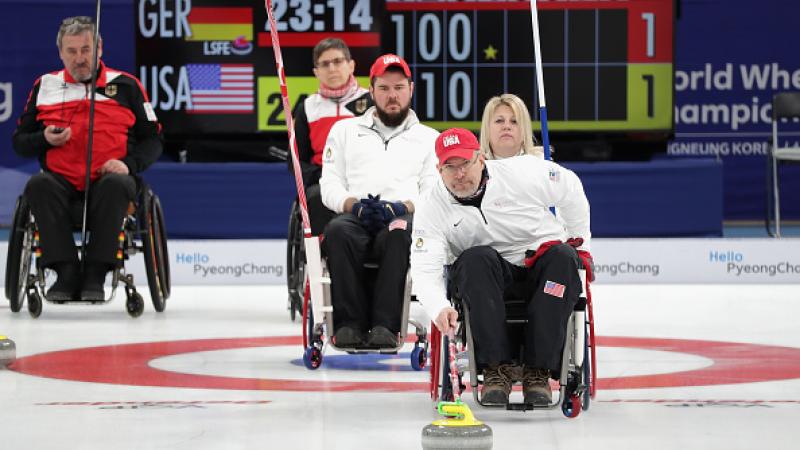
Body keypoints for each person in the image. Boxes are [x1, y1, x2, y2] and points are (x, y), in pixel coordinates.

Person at [410, 128, 591, 406]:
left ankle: (538, 372)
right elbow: (425, 268)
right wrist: (438, 307)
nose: (459, 174)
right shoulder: (430, 205)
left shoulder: (522, 172)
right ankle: (496, 370)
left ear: (481, 159)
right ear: (439, 169)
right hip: (487, 280)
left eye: (465, 164)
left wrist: (581, 244)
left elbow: (570, 187)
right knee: (474, 259)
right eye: (450, 167)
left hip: (540, 265)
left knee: (565, 257)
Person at [12, 16, 162, 302]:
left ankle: (96, 273)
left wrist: (128, 165)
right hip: (61, 184)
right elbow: (19, 142)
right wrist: (44, 138)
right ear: (60, 53)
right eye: (72, 51)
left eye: (86, 49)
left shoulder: (127, 86)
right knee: (38, 185)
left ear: (100, 48)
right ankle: (66, 272)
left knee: (116, 184)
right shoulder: (44, 85)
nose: (80, 58)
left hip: (110, 182)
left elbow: (154, 139)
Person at [319, 54, 439, 348]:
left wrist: (403, 207)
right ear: (371, 91)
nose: (392, 96)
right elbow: (329, 184)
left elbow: (433, 192)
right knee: (337, 231)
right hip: (357, 213)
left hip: (400, 215)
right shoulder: (344, 131)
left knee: (400, 233)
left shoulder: (429, 138)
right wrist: (353, 205)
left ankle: (385, 326)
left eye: (399, 88)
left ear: (411, 89)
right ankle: (348, 325)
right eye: (384, 88)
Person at [292, 38, 373, 235]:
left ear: (351, 65)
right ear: (316, 72)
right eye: (325, 64)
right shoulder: (307, 107)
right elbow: (296, 160)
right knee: (316, 196)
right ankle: (321, 253)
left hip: (365, 178)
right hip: (324, 179)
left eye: (338, 61)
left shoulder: (372, 101)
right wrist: (323, 176)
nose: (332, 68)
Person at [479, 93, 544, 159]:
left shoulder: (543, 165)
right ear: (486, 128)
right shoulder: (473, 166)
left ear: (525, 129)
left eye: (514, 121)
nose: (506, 126)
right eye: (499, 120)